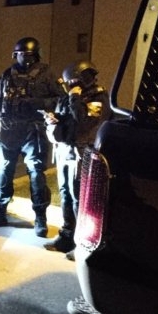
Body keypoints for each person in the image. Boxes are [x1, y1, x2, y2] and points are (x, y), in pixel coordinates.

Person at [0, 37, 64, 237]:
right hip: (8, 130)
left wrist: (37, 102)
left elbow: (62, 99)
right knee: (4, 170)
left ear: (36, 56)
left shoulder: (47, 74)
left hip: (34, 131)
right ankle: (0, 212)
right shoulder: (7, 75)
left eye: (28, 55)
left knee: (36, 173)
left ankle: (40, 216)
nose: (24, 59)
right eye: (20, 55)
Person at [43, 60, 111, 260]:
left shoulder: (98, 97)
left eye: (75, 80)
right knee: (65, 193)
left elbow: (84, 123)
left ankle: (83, 243)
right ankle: (66, 237)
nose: (73, 84)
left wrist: (74, 98)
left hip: (83, 151)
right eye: (70, 82)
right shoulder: (70, 96)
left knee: (79, 197)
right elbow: (66, 118)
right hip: (66, 149)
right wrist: (53, 119)